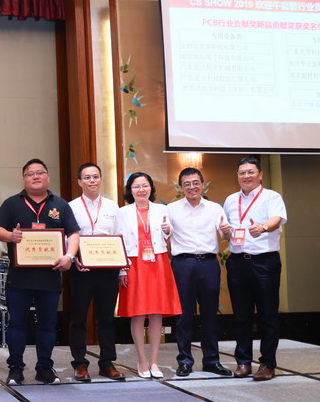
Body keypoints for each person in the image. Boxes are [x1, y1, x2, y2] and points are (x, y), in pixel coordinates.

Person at [0, 159, 79, 385]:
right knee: (16, 323)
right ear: (24, 179)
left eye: (40, 172)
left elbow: (73, 233)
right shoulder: (12, 203)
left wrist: (69, 257)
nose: (35, 176)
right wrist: (10, 236)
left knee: (48, 324)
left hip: (50, 276)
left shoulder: (60, 205)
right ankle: (15, 368)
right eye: (30, 173)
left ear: (48, 177)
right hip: (19, 277)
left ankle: (44, 367)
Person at [222, 157, 288, 381]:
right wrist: (225, 232)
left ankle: (267, 364)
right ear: (237, 176)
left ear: (260, 175)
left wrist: (263, 227)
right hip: (237, 262)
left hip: (264, 263)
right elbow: (227, 231)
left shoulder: (271, 197)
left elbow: (277, 219)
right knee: (241, 315)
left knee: (268, 315)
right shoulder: (231, 200)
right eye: (242, 173)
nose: (246, 176)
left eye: (250, 172)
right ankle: (243, 361)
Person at [167, 167, 233, 377]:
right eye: (186, 184)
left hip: (208, 264)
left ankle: (212, 361)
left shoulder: (214, 208)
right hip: (183, 264)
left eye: (196, 183)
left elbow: (225, 236)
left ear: (203, 184)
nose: (192, 187)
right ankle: (185, 361)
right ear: (180, 187)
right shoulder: (171, 209)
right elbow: (165, 236)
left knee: (210, 314)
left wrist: (227, 233)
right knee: (183, 315)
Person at [116, 172, 182, 379]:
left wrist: (168, 230)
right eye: (136, 186)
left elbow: (169, 235)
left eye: (145, 185)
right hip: (134, 263)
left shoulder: (162, 209)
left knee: (156, 313)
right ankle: (141, 360)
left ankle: (154, 361)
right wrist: (122, 269)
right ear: (130, 190)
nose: (141, 190)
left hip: (158, 262)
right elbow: (118, 240)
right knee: (137, 313)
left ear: (151, 188)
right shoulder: (122, 212)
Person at [67, 163, 125, 382]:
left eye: (95, 176)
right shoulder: (71, 207)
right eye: (87, 177)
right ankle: (80, 363)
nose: (91, 180)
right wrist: (74, 259)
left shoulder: (112, 206)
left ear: (101, 179)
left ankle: (107, 362)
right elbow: (67, 237)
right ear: (79, 182)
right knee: (78, 317)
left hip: (108, 269)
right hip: (81, 268)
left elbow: (120, 236)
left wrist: (122, 268)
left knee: (106, 317)